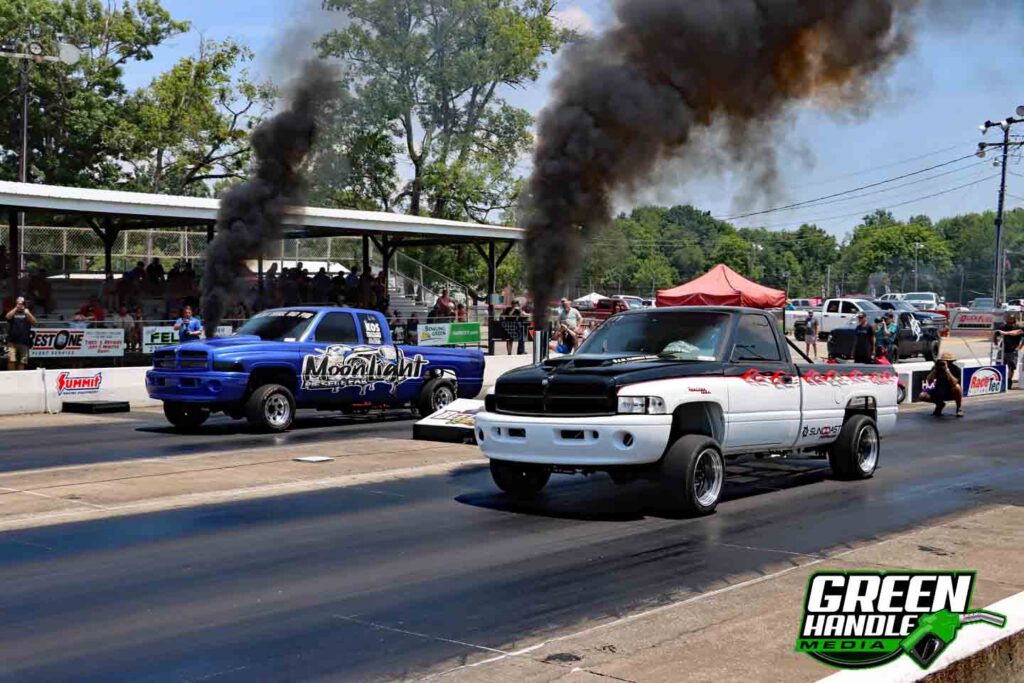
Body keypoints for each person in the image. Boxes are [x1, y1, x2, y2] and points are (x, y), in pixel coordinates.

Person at [918, 352, 963, 417]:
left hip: (950, 392)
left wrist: (947, 370)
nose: (943, 364)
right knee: (922, 395)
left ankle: (959, 408)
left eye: (945, 362)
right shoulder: (936, 368)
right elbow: (929, 380)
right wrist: (935, 370)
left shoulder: (955, 369)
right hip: (938, 390)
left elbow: (954, 382)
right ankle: (940, 404)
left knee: (957, 387)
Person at [5, 297, 36, 371]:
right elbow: (7, 317)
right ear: (16, 303)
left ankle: (20, 377)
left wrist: (28, 313)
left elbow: (34, 322)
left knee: (22, 362)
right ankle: (11, 376)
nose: (21, 305)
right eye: (19, 303)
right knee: (11, 360)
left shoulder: (27, 313)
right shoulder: (13, 312)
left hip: (24, 341)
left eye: (22, 304)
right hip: (12, 341)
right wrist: (16, 308)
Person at [995, 313, 1022, 389]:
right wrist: (996, 342)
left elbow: (1018, 333)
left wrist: (1020, 346)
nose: (1009, 324)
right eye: (1008, 322)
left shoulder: (1018, 327)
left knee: (1011, 367)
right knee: (999, 365)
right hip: (1003, 349)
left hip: (1012, 349)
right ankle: (1000, 380)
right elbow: (996, 333)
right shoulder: (1003, 327)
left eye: (1011, 322)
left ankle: (1009, 381)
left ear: (1014, 321)